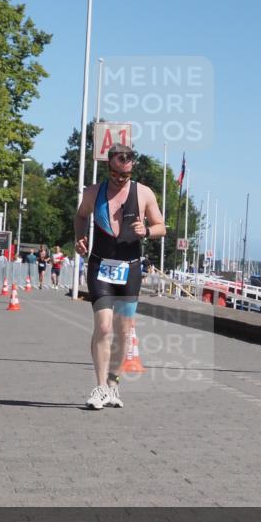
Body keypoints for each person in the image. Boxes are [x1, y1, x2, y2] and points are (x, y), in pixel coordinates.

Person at [74, 143, 165, 410]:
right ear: (108, 167)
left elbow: (161, 227)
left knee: (123, 330)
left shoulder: (143, 193)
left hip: (130, 268)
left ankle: (114, 383)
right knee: (103, 327)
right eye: (116, 174)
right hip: (100, 265)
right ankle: (100, 387)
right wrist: (79, 238)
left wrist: (146, 231)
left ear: (131, 169)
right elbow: (81, 216)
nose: (120, 180)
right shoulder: (94, 192)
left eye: (125, 175)